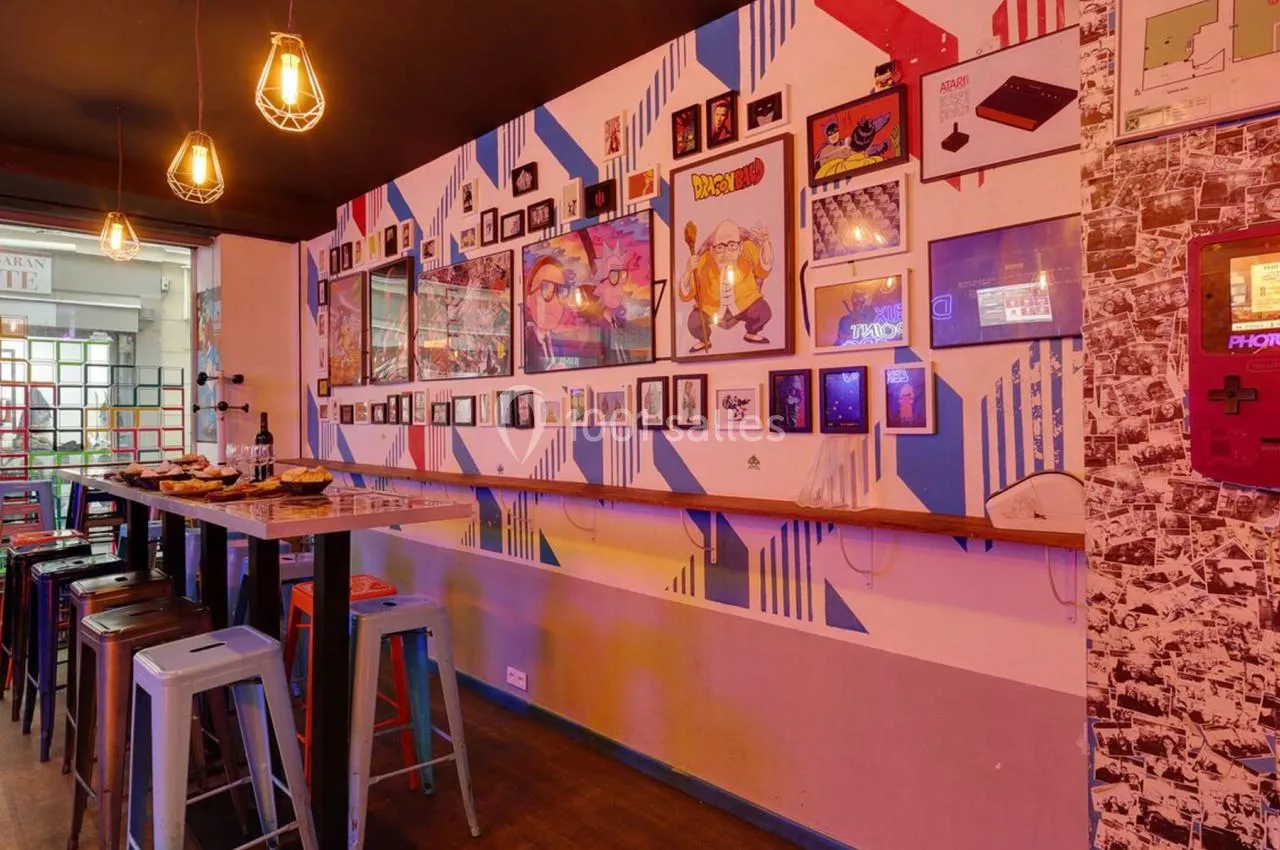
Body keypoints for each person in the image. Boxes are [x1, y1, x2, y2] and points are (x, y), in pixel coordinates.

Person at [678, 219, 774, 352]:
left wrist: (765, 243)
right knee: (694, 322)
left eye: (732, 245)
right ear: (712, 250)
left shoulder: (748, 251)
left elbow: (763, 270)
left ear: (740, 247)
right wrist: (689, 272)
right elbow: (686, 295)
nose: (726, 253)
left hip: (743, 304)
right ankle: (704, 340)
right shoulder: (704, 261)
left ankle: (751, 332)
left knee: (763, 312)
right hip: (712, 308)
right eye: (720, 247)